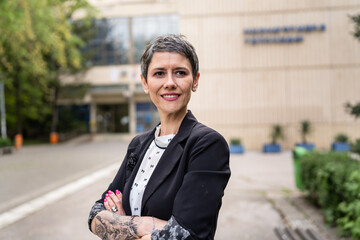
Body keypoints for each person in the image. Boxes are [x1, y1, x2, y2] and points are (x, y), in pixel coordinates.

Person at [88, 34, 231, 240]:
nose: (170, 82)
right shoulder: (139, 144)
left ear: (195, 81)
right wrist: (147, 224)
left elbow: (186, 235)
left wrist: (120, 226)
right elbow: (95, 214)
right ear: (145, 83)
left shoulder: (207, 144)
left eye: (180, 73)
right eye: (159, 73)